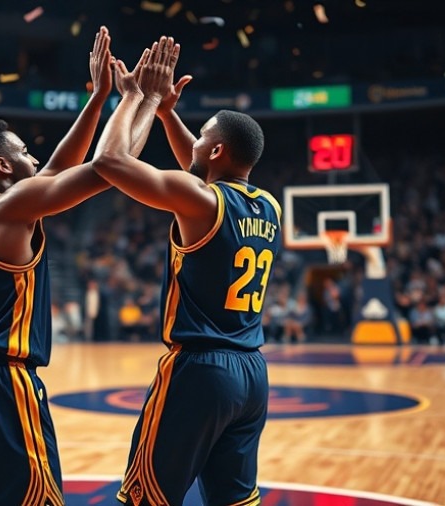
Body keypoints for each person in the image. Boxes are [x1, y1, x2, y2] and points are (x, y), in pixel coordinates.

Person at [0, 27, 158, 505]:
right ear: (2, 166)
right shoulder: (11, 207)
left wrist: (98, 98)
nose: (34, 156)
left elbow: (54, 171)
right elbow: (110, 166)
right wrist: (137, 100)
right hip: (0, 381)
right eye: (22, 152)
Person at [93, 36, 278, 506]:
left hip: (199, 370)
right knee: (233, 500)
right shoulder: (268, 205)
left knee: (145, 497)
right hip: (252, 373)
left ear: (215, 152)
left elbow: (110, 162)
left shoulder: (201, 200)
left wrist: (138, 96)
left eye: (202, 136)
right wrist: (168, 116)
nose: (193, 141)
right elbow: (199, 168)